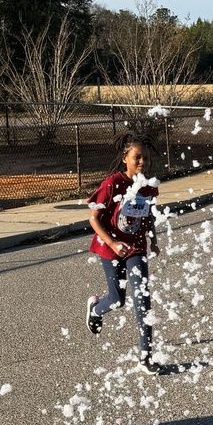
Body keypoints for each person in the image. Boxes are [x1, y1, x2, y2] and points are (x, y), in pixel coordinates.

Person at [85, 130, 161, 375]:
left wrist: (153, 240)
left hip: (136, 247)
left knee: (142, 297)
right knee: (117, 300)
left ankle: (146, 356)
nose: (142, 162)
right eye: (137, 157)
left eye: (146, 158)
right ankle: (96, 309)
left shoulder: (149, 188)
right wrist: (113, 243)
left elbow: (149, 218)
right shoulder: (113, 184)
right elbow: (94, 218)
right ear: (125, 159)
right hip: (110, 247)